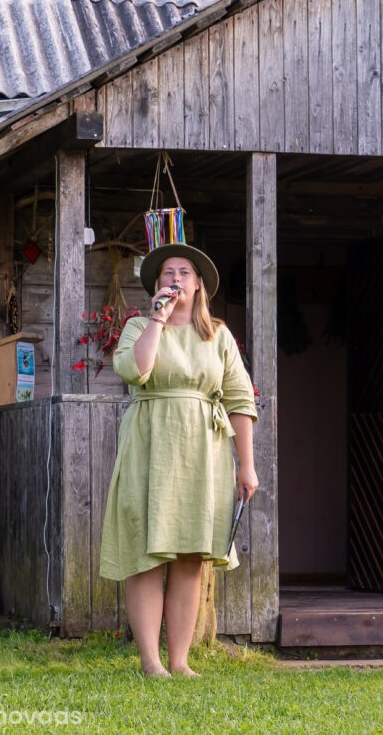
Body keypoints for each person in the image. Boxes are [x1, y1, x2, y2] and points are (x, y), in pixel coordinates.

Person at [98, 243, 259, 678]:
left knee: (189, 556)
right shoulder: (138, 326)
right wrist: (157, 319)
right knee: (147, 555)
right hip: (148, 448)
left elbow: (240, 400)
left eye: (184, 272)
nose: (175, 279)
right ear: (157, 285)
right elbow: (135, 371)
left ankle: (180, 661)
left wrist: (247, 465)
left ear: (199, 285)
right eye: (167, 273)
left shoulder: (218, 336)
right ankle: (151, 662)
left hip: (202, 455)